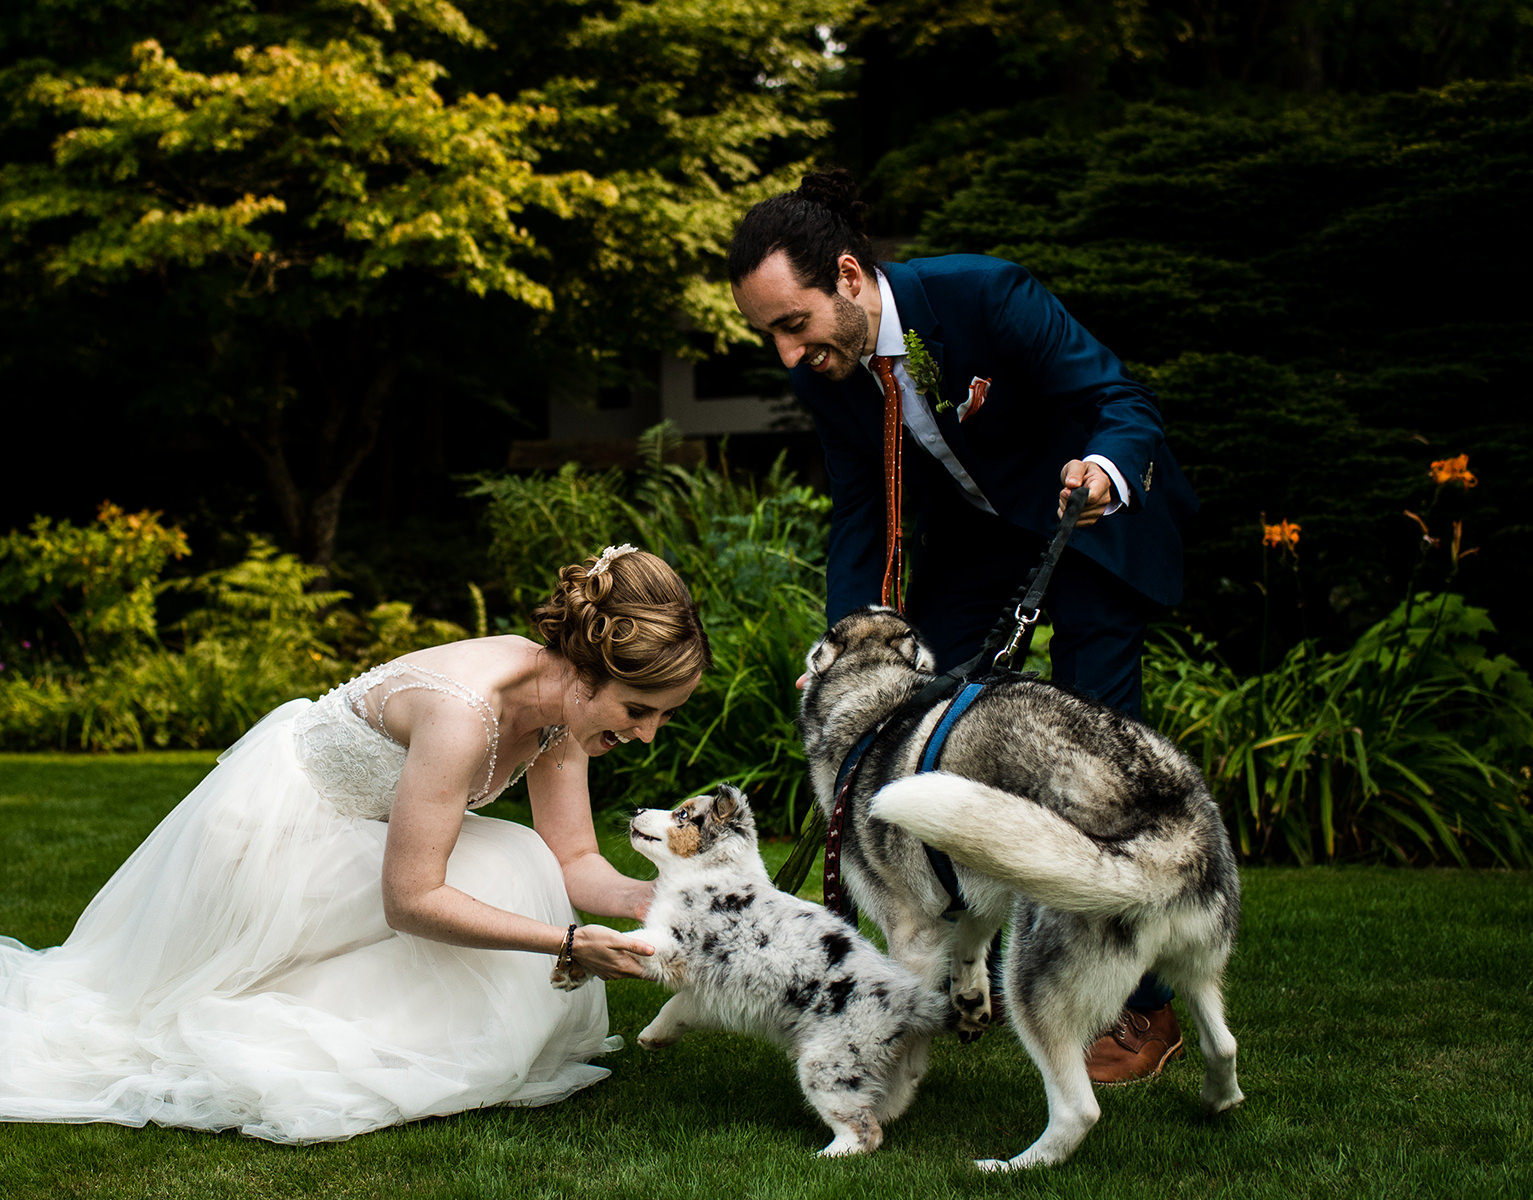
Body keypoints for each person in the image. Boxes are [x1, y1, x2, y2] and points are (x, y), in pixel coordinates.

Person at [728, 170, 1201, 1084]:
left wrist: (1103, 468)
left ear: (852, 279)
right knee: (924, 720)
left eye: (795, 324)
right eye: (770, 338)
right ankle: (946, 961)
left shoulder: (985, 293)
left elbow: (1122, 399)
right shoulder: (831, 378)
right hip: (986, 544)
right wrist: (845, 655)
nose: (787, 354)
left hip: (1093, 520)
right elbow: (862, 513)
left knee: (1102, 772)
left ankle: (1145, 1013)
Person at [0, 545, 708, 1143]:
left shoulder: (566, 714)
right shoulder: (466, 713)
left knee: (520, 859)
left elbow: (575, 861)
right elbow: (411, 900)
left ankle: (407, 1030)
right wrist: (565, 944)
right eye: (637, 710)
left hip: (365, 839)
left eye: (664, 717)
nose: (645, 734)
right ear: (584, 671)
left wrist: (668, 900)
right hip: (271, 851)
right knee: (503, 868)